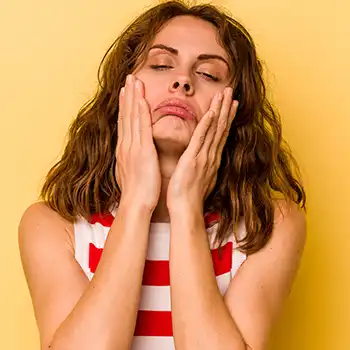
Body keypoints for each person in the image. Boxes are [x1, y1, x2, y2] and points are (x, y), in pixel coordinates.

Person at [18, 1, 307, 349]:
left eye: (209, 74)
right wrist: (137, 202)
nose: (182, 81)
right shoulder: (53, 226)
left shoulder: (269, 225)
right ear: (122, 90)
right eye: (160, 64)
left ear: (236, 109)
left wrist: (185, 207)